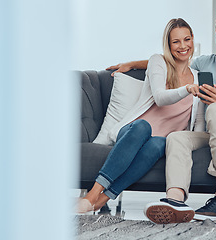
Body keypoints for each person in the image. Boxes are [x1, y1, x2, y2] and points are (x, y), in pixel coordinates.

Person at [110, 7, 216, 223]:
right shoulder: (204, 63)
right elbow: (173, 59)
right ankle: (175, 200)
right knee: (176, 137)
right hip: (211, 132)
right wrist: (132, 64)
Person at [77, 18, 205, 215]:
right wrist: (186, 89)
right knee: (143, 126)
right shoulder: (158, 62)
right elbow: (161, 98)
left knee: (159, 144)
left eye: (186, 40)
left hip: (160, 141)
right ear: (168, 45)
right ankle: (93, 194)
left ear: (192, 40)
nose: (182, 46)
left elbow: (197, 124)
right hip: (134, 132)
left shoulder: (198, 77)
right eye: (175, 41)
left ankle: (103, 199)